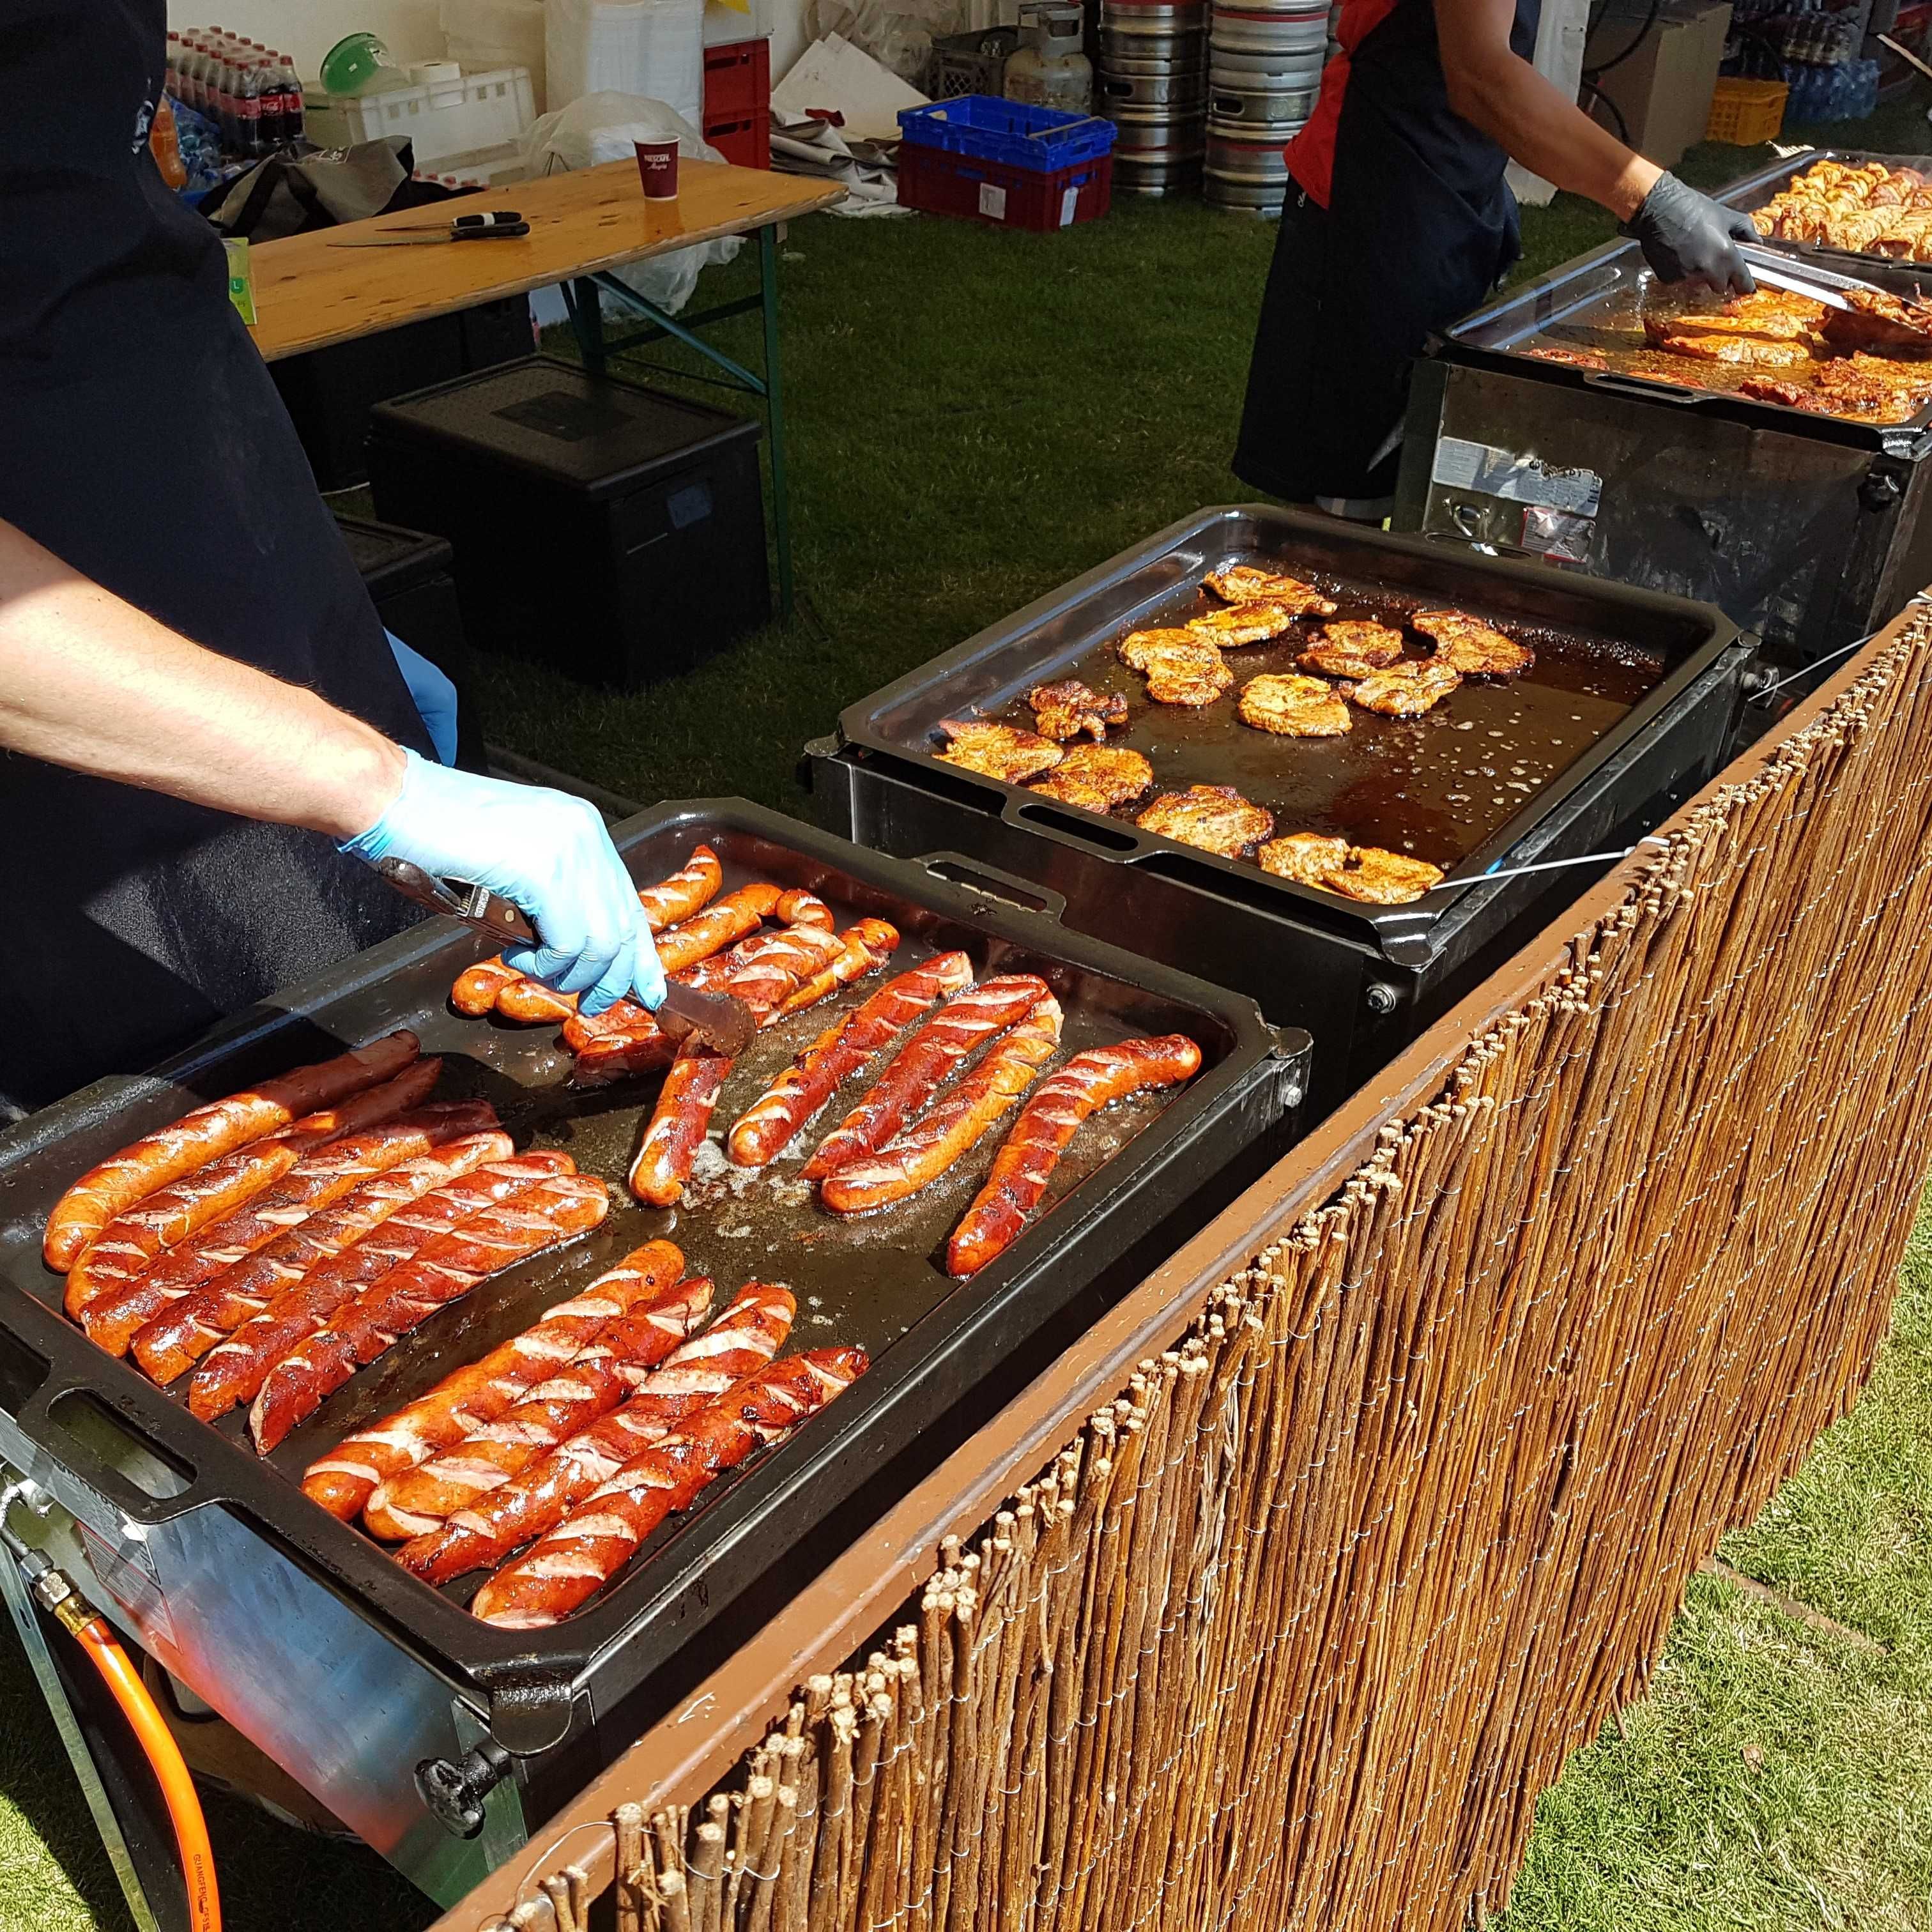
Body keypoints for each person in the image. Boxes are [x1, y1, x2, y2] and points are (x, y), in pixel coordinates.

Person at [0, 0, 663, 1117]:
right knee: (167, 1111)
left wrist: (282, 588)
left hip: (172, 446)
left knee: (389, 999)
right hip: (53, 707)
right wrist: (374, 781)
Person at [1232, 0, 1763, 518]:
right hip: (1369, 195)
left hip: (1446, 179)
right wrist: (1652, 196)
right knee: (1347, 496)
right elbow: (1481, 76)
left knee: (1416, 457)